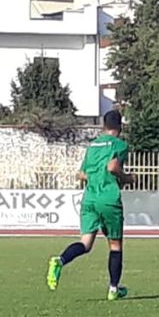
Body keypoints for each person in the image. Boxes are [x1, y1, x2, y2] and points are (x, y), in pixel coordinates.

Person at [46, 109, 133, 300]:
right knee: (115, 244)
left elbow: (81, 174)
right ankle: (113, 289)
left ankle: (60, 260)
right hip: (108, 198)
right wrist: (127, 178)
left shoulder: (93, 146)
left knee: (85, 243)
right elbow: (113, 167)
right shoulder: (120, 145)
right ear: (120, 127)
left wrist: (96, 176)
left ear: (103, 126)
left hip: (90, 198)